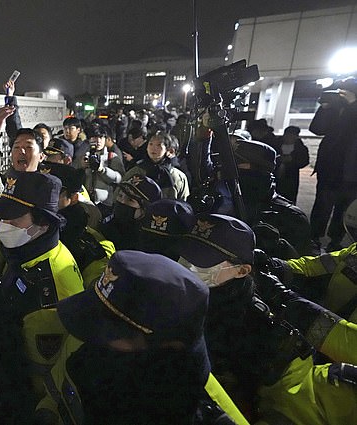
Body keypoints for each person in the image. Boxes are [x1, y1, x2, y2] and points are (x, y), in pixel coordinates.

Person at [177, 214, 357, 424]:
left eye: (203, 263)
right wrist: (278, 266)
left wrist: (295, 308)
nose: (188, 268)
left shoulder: (255, 327)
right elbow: (318, 264)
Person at [36, 251, 215, 424]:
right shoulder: (98, 361)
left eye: (109, 330)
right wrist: (47, 413)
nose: (93, 338)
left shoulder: (176, 406)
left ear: (163, 345)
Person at [0, 170, 84, 398]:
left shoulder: (54, 285)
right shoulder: (25, 251)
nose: (3, 225)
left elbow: (41, 369)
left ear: (43, 223)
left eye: (13, 218)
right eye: (2, 217)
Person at [40, 161, 115, 288]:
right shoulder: (33, 221)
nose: (43, 196)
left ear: (74, 197)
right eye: (40, 188)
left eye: (54, 192)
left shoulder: (90, 244)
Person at [309, 77, 357, 252]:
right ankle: (314, 238)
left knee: (344, 211)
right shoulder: (333, 109)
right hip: (330, 169)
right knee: (322, 205)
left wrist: (352, 105)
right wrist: (325, 108)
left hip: (352, 172)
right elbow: (316, 128)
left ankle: (335, 242)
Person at [100, 174, 162, 250]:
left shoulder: (146, 243)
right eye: (120, 196)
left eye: (130, 200)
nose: (122, 202)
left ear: (144, 210)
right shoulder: (105, 225)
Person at [122, 131, 189, 201]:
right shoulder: (137, 171)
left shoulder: (177, 176)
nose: (153, 148)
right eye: (150, 144)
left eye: (158, 145)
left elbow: (182, 203)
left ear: (168, 150)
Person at [82, 126, 124, 218]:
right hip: (85, 200)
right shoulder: (83, 156)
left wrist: (102, 170)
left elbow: (120, 178)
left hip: (104, 203)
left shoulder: (112, 157)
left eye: (101, 137)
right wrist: (81, 167)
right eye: (94, 137)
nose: (98, 141)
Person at [274, 126, 309, 204]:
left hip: (291, 177)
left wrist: (292, 160)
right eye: (287, 135)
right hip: (275, 174)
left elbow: (304, 161)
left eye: (292, 136)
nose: (289, 138)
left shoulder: (300, 148)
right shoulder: (276, 144)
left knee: (289, 197)